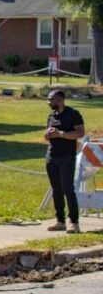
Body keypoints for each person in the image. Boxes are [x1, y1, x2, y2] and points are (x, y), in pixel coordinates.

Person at [44, 89, 85, 233]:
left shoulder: (73, 114)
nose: (49, 102)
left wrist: (61, 134)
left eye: (52, 100)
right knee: (57, 190)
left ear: (60, 100)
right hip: (51, 157)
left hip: (66, 157)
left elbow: (80, 133)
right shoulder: (51, 116)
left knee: (68, 189)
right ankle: (60, 221)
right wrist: (48, 134)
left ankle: (74, 222)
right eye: (49, 99)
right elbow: (47, 135)